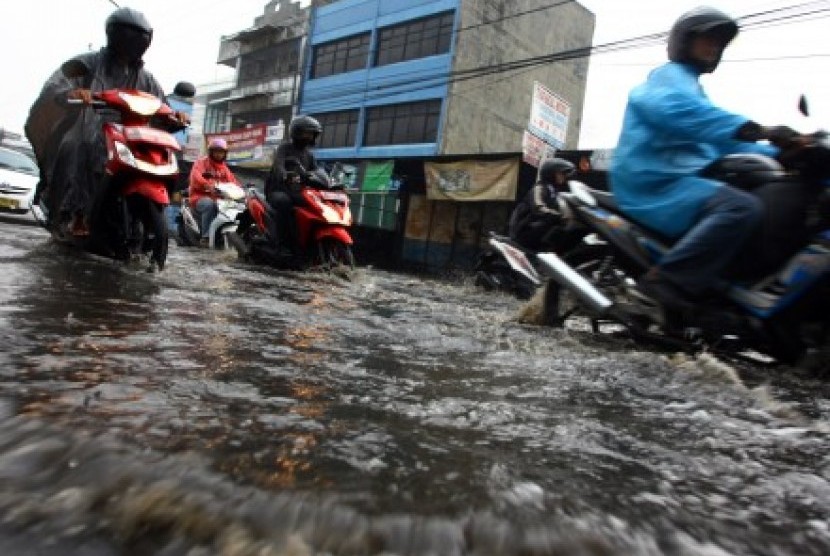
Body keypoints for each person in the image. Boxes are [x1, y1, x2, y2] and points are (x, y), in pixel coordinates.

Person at [609, 6, 797, 312]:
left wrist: (785, 154)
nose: (714, 47)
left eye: (719, 42)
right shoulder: (668, 79)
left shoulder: (696, 91)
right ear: (684, 41)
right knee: (740, 206)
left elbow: (725, 142)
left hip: (682, 181)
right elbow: (683, 112)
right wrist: (760, 130)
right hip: (656, 184)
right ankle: (663, 284)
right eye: (707, 39)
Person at [24, 7, 189, 237]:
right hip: (88, 123)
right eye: (126, 35)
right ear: (113, 35)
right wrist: (73, 93)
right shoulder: (87, 63)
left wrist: (175, 116)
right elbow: (57, 85)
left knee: (157, 154)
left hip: (130, 134)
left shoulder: (146, 78)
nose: (131, 43)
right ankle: (76, 213)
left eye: (137, 37)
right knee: (81, 146)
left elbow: (160, 106)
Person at [265, 115, 322, 255]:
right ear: (296, 132)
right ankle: (281, 244)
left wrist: (330, 183)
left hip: (297, 192)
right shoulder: (284, 148)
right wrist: (285, 174)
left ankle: (307, 242)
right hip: (278, 190)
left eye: (312, 134)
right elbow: (278, 166)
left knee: (316, 206)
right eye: (306, 133)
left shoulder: (309, 155)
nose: (309, 136)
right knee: (284, 202)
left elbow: (317, 172)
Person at [509, 157, 579, 253]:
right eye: (560, 173)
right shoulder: (540, 188)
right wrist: (557, 216)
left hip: (536, 230)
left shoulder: (554, 191)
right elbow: (538, 207)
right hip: (525, 230)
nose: (563, 176)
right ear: (550, 173)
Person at [188, 138, 240, 246]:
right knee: (209, 204)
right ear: (211, 152)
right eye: (216, 151)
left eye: (221, 152)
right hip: (199, 197)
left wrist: (239, 189)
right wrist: (207, 184)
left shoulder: (224, 169)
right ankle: (206, 237)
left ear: (225, 154)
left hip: (219, 199)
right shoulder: (201, 163)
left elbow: (233, 182)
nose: (218, 154)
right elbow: (196, 176)